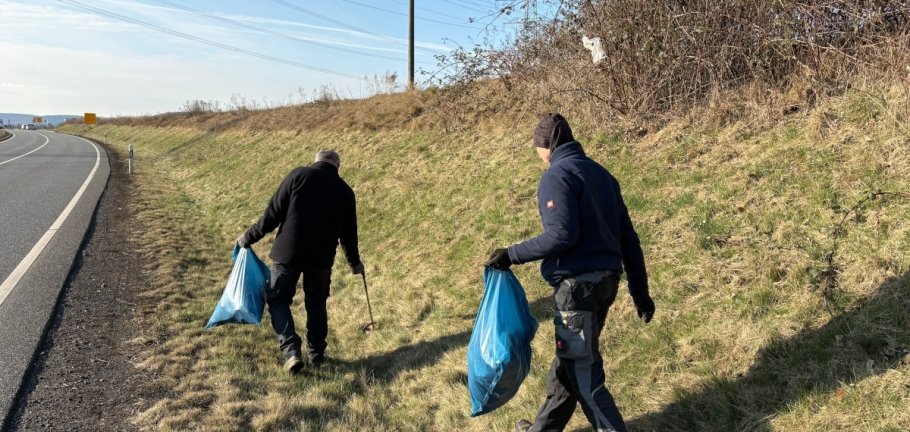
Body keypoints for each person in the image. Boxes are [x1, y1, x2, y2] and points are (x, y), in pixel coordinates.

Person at [485, 113, 655, 432]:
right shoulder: (602, 175)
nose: (536, 154)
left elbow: (561, 234)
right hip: (605, 284)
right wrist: (640, 292)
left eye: (537, 146)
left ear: (548, 144)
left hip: (577, 290)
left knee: (584, 375)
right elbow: (629, 240)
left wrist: (511, 254)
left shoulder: (557, 175)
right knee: (568, 369)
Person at [237, 149, 363, 374]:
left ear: (316, 161)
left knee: (278, 299)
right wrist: (354, 263)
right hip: (322, 258)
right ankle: (317, 354)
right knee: (316, 303)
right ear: (337, 167)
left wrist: (248, 237)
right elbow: (349, 234)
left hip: (289, 252)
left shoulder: (299, 175)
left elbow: (272, 214)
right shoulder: (345, 191)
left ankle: (291, 351)